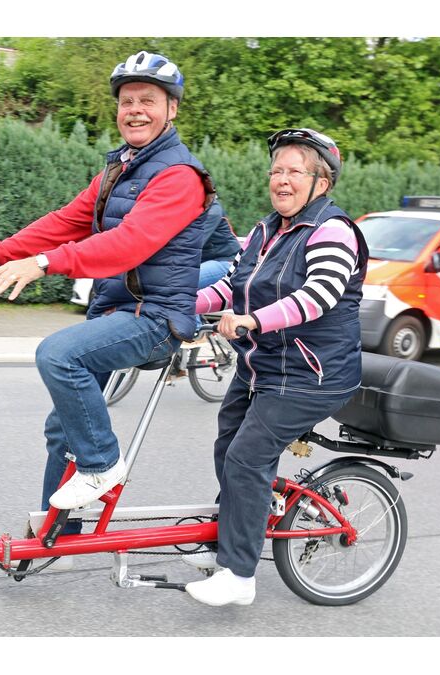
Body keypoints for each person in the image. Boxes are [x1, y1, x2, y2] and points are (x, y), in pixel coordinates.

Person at [0, 51, 217, 521]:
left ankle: (101, 464)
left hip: (156, 318)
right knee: (62, 430)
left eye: (148, 100)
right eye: (127, 101)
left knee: (58, 355)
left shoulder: (180, 177)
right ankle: (54, 535)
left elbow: (128, 245)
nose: (135, 110)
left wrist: (43, 264)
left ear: (172, 109)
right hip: (115, 310)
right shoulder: (119, 170)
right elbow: (64, 222)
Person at [183, 128, 370, 606]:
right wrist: (180, 306)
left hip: (312, 374)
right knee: (228, 448)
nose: (282, 180)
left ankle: (238, 575)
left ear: (321, 183)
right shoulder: (265, 232)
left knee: (247, 457)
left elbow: (320, 295)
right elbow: (230, 287)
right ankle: (232, 536)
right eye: (276, 170)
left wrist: (252, 320)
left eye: (294, 172)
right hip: (261, 367)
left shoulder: (332, 231)